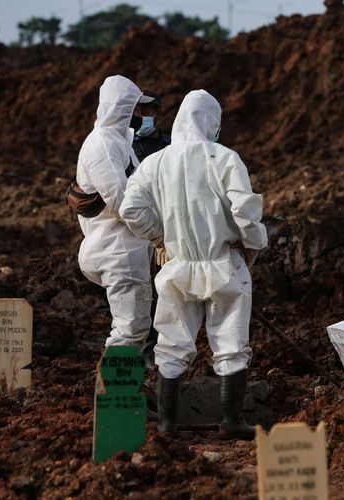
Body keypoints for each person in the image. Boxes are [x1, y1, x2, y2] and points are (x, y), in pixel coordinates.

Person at [120, 89, 268, 439]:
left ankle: (169, 423)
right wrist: (254, 245)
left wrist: (160, 239)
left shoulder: (156, 162)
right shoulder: (224, 159)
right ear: (211, 123)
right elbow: (245, 211)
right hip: (223, 264)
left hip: (177, 267)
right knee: (231, 342)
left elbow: (130, 210)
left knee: (170, 344)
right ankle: (231, 421)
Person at [75, 75, 156, 349]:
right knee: (129, 330)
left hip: (127, 250)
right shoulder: (103, 145)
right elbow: (123, 203)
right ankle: (113, 392)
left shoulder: (119, 142)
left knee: (135, 328)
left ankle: (125, 390)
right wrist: (159, 234)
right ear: (121, 108)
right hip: (117, 252)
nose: (140, 115)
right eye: (135, 108)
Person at [130, 90, 171, 369]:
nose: (146, 117)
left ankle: (153, 346)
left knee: (162, 286)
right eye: (140, 112)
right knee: (140, 286)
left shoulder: (170, 145)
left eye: (150, 111)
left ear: (158, 112)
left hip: (166, 225)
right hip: (138, 226)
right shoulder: (128, 147)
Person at [132, 90, 170, 163]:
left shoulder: (171, 145)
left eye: (144, 110)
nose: (139, 115)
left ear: (158, 113)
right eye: (136, 110)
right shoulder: (127, 144)